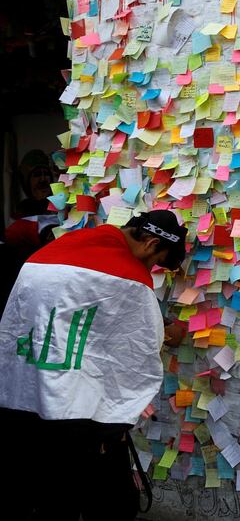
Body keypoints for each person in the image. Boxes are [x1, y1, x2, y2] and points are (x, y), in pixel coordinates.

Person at [0, 210, 188, 521]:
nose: (149, 270)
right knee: (108, 504)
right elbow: (135, 352)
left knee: (40, 498)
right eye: (155, 262)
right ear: (151, 243)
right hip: (78, 419)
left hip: (22, 399)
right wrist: (166, 332)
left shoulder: (62, 247)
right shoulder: (127, 276)